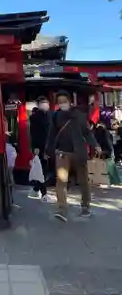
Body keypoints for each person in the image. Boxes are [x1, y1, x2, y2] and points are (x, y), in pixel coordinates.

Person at [45, 90, 100, 222]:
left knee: (83, 181)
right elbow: (51, 134)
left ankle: (85, 206)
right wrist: (48, 150)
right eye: (59, 102)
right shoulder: (55, 116)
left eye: (64, 101)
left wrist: (95, 145)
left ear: (70, 101)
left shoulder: (79, 115)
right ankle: (62, 209)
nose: (62, 104)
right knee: (61, 181)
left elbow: (87, 133)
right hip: (62, 152)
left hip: (79, 152)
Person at [29, 96, 51, 201]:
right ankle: (43, 193)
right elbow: (34, 133)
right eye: (43, 102)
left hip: (47, 145)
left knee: (44, 168)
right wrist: (35, 147)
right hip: (40, 146)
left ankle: (36, 189)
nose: (45, 104)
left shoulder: (48, 115)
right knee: (42, 168)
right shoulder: (35, 117)